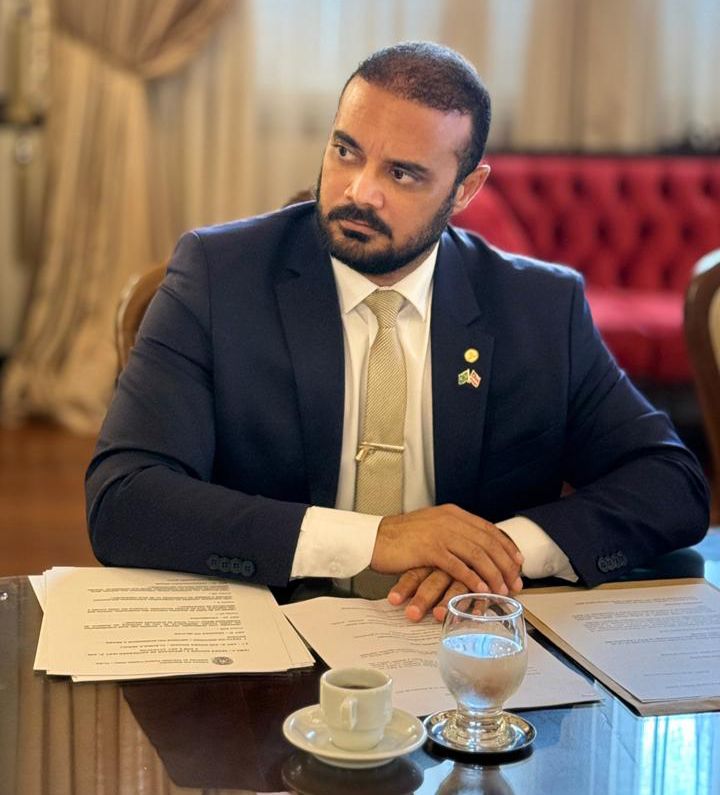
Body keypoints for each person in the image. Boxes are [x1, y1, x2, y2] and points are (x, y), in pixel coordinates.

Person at [86, 41, 709, 622]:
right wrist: (375, 539)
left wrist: (497, 553)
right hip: (270, 633)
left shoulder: (538, 308)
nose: (360, 192)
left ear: (465, 190)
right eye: (346, 151)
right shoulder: (219, 276)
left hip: (453, 639)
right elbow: (125, 498)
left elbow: (670, 483)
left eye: (402, 174)